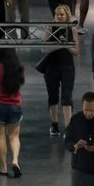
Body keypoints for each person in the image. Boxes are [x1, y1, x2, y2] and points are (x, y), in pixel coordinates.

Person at [37, 8, 77, 137]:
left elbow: (76, 50)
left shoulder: (72, 29)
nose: (59, 17)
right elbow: (44, 49)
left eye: (62, 14)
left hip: (67, 66)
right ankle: (54, 124)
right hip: (52, 66)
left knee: (67, 96)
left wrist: (66, 45)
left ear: (67, 16)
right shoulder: (50, 28)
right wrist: (59, 44)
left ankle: (68, 126)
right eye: (57, 14)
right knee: (53, 96)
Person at [0, 49, 29, 178]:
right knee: (14, 137)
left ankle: (3, 168)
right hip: (15, 106)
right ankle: (15, 161)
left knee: (1, 137)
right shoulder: (18, 68)